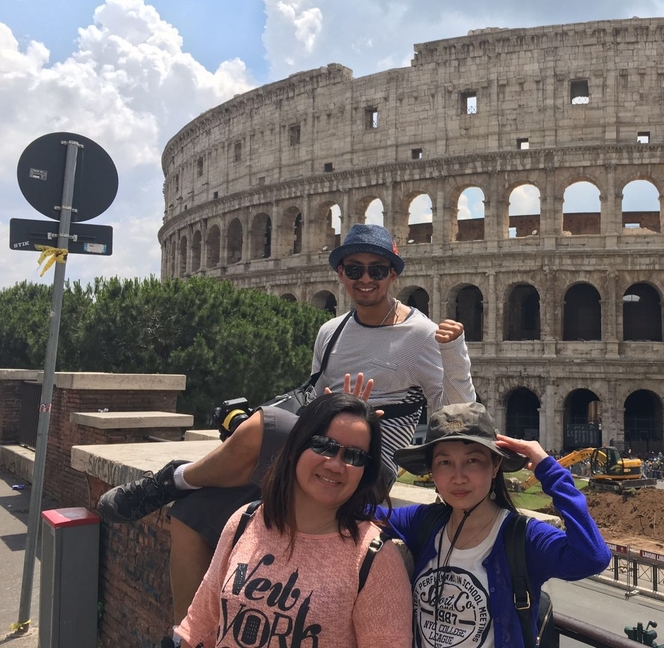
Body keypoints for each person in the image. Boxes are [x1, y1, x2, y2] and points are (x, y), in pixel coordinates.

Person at [98, 223, 475, 626]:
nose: (366, 279)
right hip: (316, 452)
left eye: (377, 270)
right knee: (191, 515)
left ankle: (172, 479)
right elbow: (312, 401)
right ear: (341, 274)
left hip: (370, 464)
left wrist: (453, 353)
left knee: (265, 425)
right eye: (355, 269)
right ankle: (183, 635)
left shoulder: (420, 334)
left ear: (393, 275)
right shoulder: (331, 331)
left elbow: (460, 413)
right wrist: (335, 410)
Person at [175, 393, 412, 647]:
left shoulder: (375, 560)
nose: (335, 464)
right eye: (324, 445)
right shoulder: (245, 522)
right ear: (297, 446)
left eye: (354, 456)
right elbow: (200, 626)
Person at [380, 401, 611, 646]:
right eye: (445, 462)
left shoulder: (523, 538)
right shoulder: (423, 522)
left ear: (495, 466)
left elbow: (592, 557)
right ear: (432, 470)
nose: (459, 477)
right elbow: (355, 512)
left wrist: (549, 469)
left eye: (473, 461)